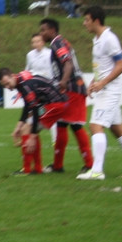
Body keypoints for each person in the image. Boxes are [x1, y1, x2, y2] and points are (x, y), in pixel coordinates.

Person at [78, 6, 122, 181]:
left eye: (86, 19)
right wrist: (94, 82)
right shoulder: (98, 39)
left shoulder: (109, 39)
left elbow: (121, 65)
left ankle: (97, 171)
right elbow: (102, 66)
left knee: (95, 126)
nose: (84, 23)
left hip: (110, 90)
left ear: (96, 20)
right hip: (104, 88)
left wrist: (102, 83)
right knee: (117, 130)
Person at [38, 18, 94, 173]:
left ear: (52, 30)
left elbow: (67, 63)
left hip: (73, 89)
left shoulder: (57, 43)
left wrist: (63, 82)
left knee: (76, 125)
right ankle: (58, 165)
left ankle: (90, 164)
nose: (41, 33)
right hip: (71, 89)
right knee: (61, 124)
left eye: (43, 30)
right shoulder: (59, 42)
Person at [0, 68, 67, 175]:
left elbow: (33, 108)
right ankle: (37, 169)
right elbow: (28, 106)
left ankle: (27, 169)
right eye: (4, 85)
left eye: (7, 83)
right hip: (53, 103)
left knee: (27, 130)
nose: (7, 87)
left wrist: (32, 136)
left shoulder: (25, 85)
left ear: (12, 76)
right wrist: (18, 126)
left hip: (56, 105)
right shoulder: (20, 81)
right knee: (26, 129)